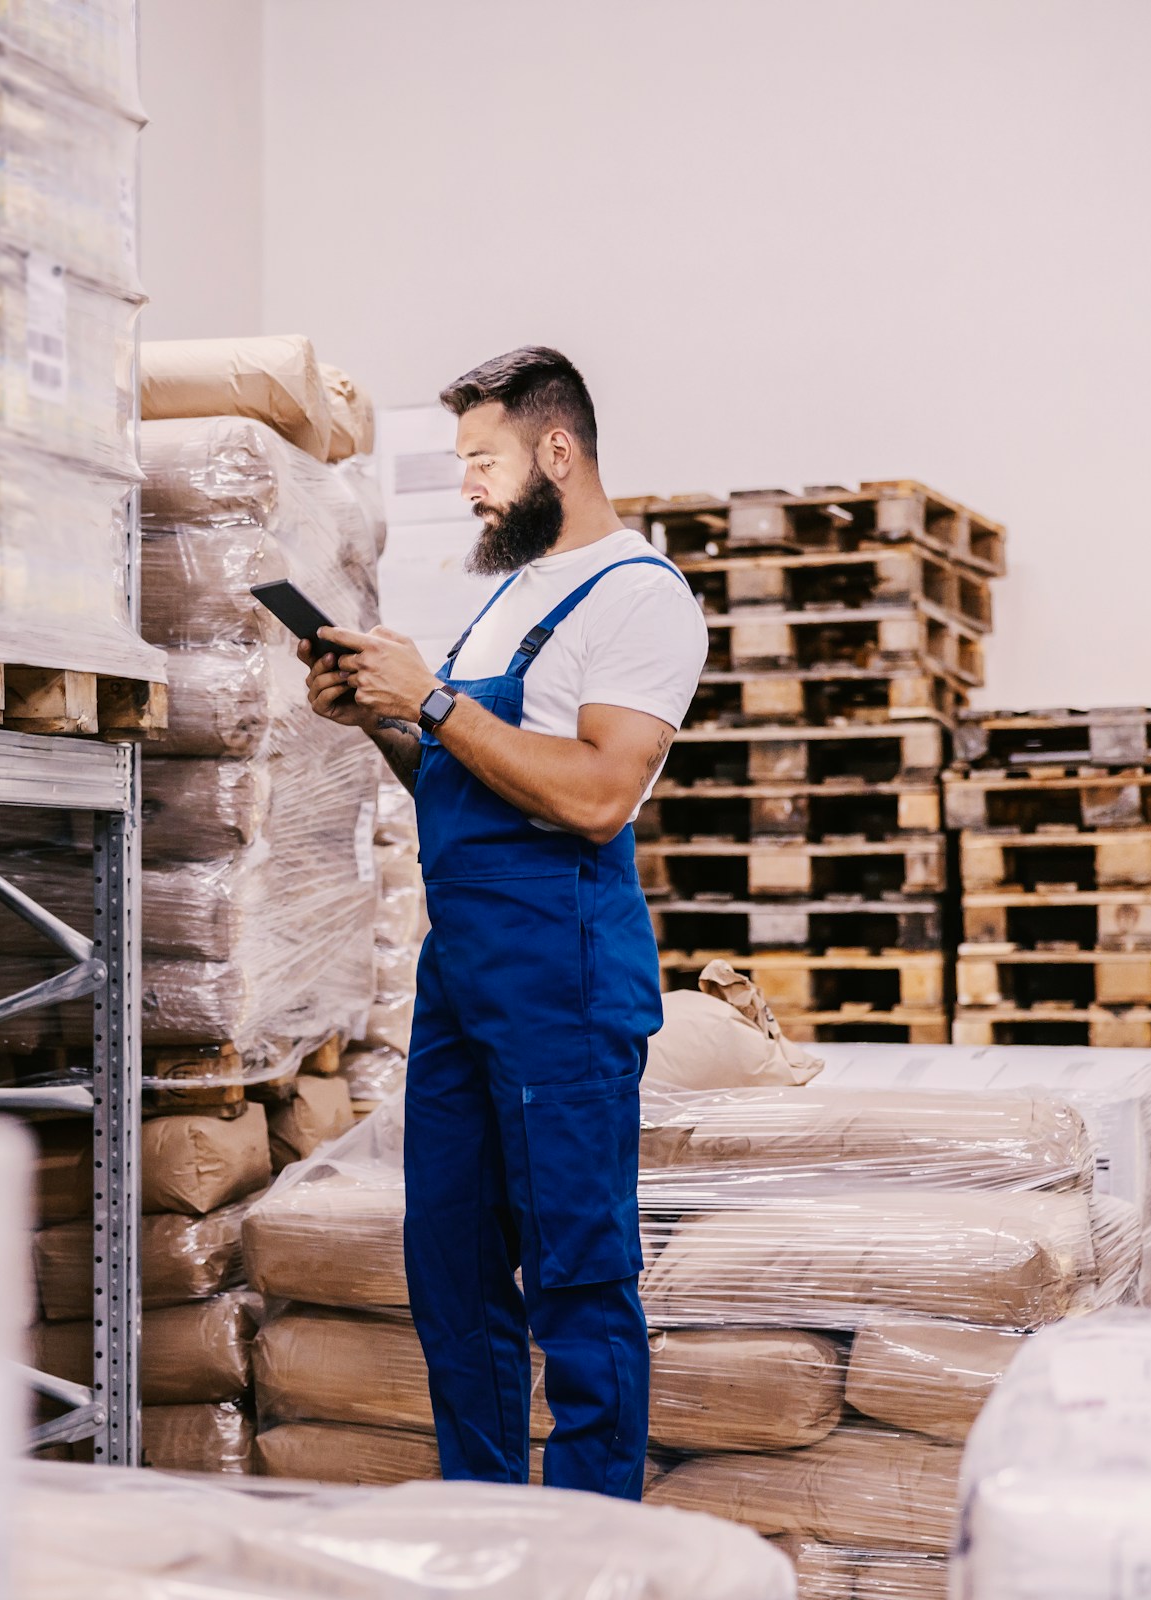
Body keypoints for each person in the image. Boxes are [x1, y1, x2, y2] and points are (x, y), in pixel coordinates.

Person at [298, 346, 706, 1496]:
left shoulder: (641, 598)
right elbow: (462, 773)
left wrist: (428, 697)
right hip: (464, 975)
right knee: (453, 1270)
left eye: (484, 459)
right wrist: (376, 716)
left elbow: (592, 793)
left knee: (578, 1280)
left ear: (559, 450)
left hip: (562, 979)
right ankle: (489, 1532)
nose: (469, 483)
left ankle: (592, 1548)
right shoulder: (504, 600)